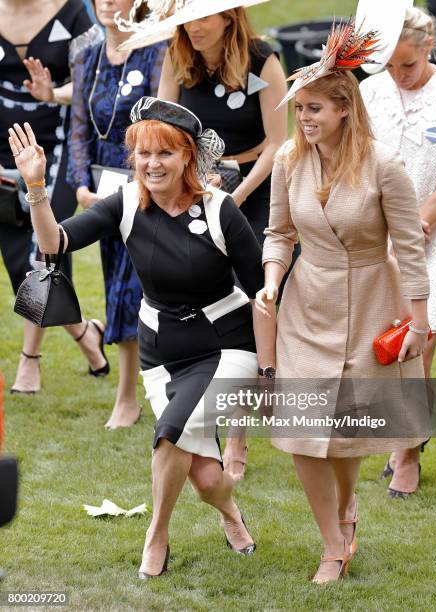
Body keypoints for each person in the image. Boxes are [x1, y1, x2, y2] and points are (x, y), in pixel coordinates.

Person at [8, 96, 274, 577]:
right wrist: (35, 186)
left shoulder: (220, 212)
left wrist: (270, 373)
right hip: (161, 350)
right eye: (143, 154)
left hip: (226, 345)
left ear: (188, 157)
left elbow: (262, 297)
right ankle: (231, 514)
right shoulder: (128, 201)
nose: (151, 164)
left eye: (164, 153)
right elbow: (54, 245)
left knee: (168, 435)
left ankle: (157, 535)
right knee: (206, 476)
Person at [255, 20, 431, 583]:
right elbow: (278, 232)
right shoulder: (288, 159)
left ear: (344, 110)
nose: (303, 120)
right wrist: (272, 279)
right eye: (299, 110)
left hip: (373, 299)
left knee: (349, 427)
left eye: (314, 110)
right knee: (305, 430)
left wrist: (419, 324)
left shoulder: (385, 167)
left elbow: (409, 246)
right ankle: (332, 543)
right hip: (308, 304)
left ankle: (348, 505)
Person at [121, 0, 289, 478]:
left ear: (228, 17)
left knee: (250, 295)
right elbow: (163, 126)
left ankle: (237, 433)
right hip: (192, 186)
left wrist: (234, 197)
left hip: (250, 187)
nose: (193, 28)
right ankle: (200, 402)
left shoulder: (262, 60)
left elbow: (278, 142)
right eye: (186, 18)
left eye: (203, 17)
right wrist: (192, 183)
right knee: (200, 290)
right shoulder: (178, 58)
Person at [360, 4, 436, 497]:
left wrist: (413, 226)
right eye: (391, 65)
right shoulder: (370, 89)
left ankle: (408, 451)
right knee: (383, 344)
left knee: (421, 341)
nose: (398, 75)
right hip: (377, 234)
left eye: (409, 65)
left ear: (430, 48)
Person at [0, 0, 108, 394]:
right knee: (17, 263)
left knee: (42, 252)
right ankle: (86, 335)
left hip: (59, 150)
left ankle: (29, 361)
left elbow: (99, 76)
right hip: (4, 150)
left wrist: (54, 92)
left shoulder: (74, 13)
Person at [68, 0, 167, 429]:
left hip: (148, 180)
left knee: (139, 288)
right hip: (102, 189)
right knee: (117, 286)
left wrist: (144, 177)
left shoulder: (155, 51)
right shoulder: (87, 56)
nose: (108, 2)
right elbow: (78, 127)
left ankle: (139, 392)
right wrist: (80, 184)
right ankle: (133, 392)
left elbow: (165, 123)